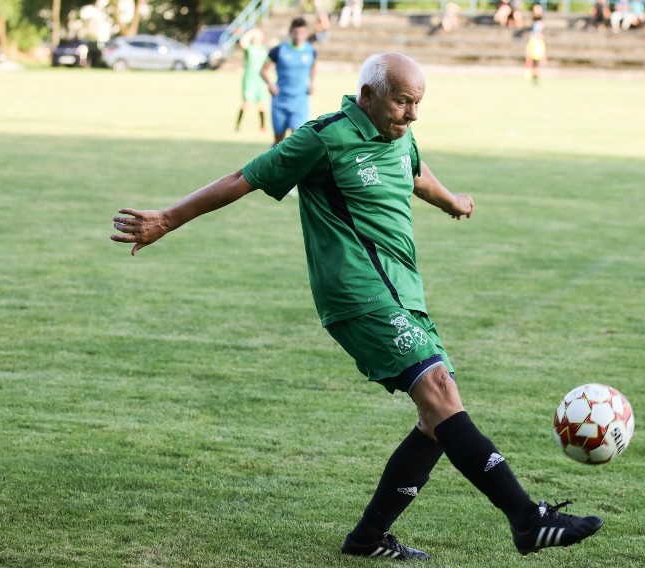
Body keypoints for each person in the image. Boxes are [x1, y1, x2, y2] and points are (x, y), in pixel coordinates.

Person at [110, 52, 604, 560]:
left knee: (438, 419)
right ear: (367, 95)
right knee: (438, 391)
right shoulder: (323, 138)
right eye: (402, 102)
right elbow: (244, 178)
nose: (412, 115)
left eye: (418, 104)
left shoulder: (399, 134)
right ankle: (527, 519)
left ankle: (366, 540)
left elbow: (413, 170)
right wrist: (167, 219)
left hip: (402, 293)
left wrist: (452, 200)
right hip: (358, 292)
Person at [260, 17, 317, 146]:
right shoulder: (278, 50)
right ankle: (274, 165)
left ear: (306, 33)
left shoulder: (311, 51)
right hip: (280, 101)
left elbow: (313, 66)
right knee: (278, 142)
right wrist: (270, 84)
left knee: (298, 140)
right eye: (295, 32)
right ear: (290, 32)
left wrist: (312, 82)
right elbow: (263, 70)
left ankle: (296, 166)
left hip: (300, 102)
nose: (298, 36)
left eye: (301, 33)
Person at [235, 28, 269, 132]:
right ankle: (238, 126)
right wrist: (251, 33)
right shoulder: (249, 48)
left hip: (260, 80)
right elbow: (242, 42)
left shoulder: (263, 50)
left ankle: (262, 127)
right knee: (247, 103)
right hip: (250, 79)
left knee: (262, 104)